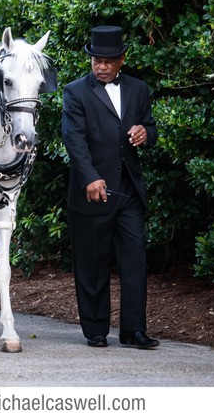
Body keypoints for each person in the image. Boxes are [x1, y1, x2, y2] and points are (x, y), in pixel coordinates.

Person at [61, 25, 159, 349]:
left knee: (134, 262)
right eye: (96, 60)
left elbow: (151, 128)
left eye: (108, 61)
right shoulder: (75, 92)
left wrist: (145, 133)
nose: (101, 66)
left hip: (128, 190)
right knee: (92, 263)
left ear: (122, 59)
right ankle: (95, 330)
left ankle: (133, 331)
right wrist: (89, 177)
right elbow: (73, 139)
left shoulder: (139, 89)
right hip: (92, 191)